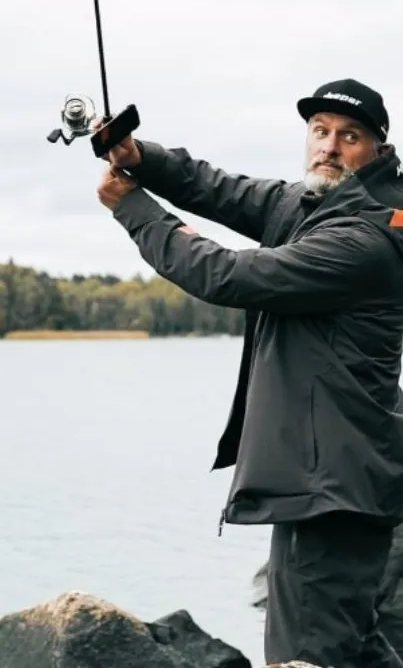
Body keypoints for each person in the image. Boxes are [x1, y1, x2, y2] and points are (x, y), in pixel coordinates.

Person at [96, 78, 403, 668]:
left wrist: (134, 210)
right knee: (353, 647)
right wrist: (142, 159)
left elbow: (229, 276)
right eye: (319, 132)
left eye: (350, 136)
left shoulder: (363, 237)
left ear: (378, 151)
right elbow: (222, 190)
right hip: (334, 480)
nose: (329, 147)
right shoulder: (315, 204)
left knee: (305, 657)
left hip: (332, 489)